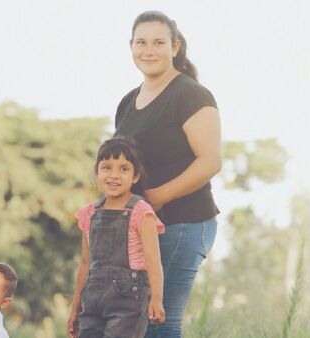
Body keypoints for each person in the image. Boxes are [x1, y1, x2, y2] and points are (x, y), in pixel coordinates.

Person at [114, 10, 222, 338]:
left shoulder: (190, 94)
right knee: (136, 320)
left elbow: (210, 162)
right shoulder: (127, 102)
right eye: (141, 42)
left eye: (159, 42)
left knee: (160, 318)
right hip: (143, 225)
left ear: (175, 47)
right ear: (130, 47)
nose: (149, 50)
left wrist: (157, 198)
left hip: (183, 222)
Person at [67, 137, 166, 338]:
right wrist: (74, 307)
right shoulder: (89, 214)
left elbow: (153, 261)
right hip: (92, 300)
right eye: (106, 167)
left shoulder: (140, 211)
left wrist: (156, 298)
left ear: (135, 176)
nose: (114, 175)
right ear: (97, 172)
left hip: (127, 301)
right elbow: (85, 264)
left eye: (123, 169)